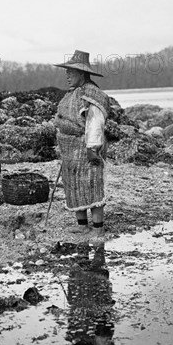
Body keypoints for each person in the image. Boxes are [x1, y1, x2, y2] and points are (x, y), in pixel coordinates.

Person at [53, 50, 110, 237]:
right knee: (73, 186)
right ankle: (82, 225)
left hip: (86, 148)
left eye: (71, 72)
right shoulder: (72, 94)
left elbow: (95, 123)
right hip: (70, 150)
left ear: (82, 73)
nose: (67, 75)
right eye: (67, 72)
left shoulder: (92, 94)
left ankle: (98, 230)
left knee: (92, 185)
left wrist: (92, 148)